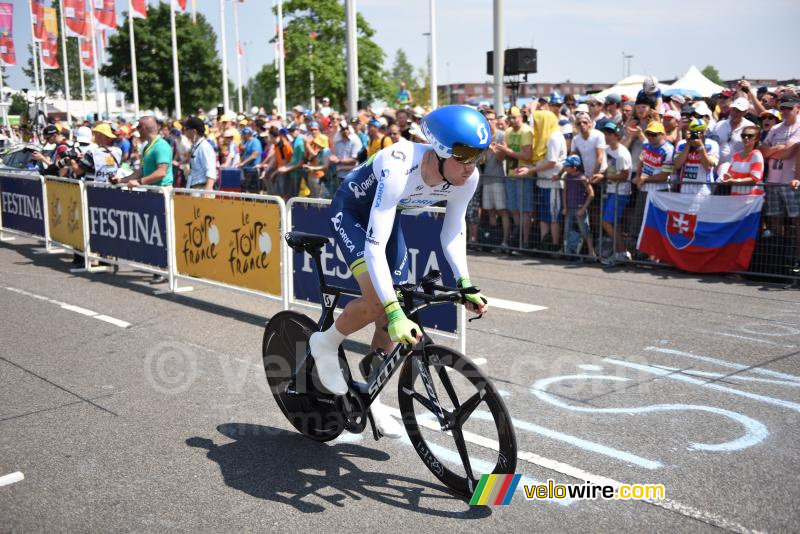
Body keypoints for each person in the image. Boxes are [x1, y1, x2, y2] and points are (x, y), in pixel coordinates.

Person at [308, 105, 490, 438]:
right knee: (380, 303)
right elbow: (373, 247)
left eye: (479, 157)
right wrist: (390, 311)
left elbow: (452, 232)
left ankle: (370, 394)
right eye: (465, 159)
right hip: (352, 213)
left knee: (400, 305)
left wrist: (465, 284)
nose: (471, 168)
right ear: (440, 151)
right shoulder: (400, 164)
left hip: (388, 219)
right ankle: (325, 342)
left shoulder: (467, 177)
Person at [515, 110, 566, 249]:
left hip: (552, 183)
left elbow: (552, 162)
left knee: (553, 217)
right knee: (543, 217)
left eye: (537, 122)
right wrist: (526, 168)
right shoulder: (545, 137)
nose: (534, 125)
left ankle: (554, 245)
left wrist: (530, 170)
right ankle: (545, 244)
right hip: (543, 182)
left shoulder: (555, 137)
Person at [500, 106, 534, 248]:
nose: (512, 120)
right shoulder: (507, 131)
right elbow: (504, 152)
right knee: (513, 209)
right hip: (510, 174)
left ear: (521, 117)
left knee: (525, 210)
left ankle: (525, 242)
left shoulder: (526, 131)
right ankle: (517, 238)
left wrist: (507, 151)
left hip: (524, 175)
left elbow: (527, 155)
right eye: (510, 117)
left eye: (514, 117)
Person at [598, 122, 633, 260]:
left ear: (617, 135)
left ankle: (622, 252)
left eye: (609, 134)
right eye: (605, 134)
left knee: (606, 223)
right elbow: (608, 167)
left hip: (621, 192)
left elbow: (624, 176)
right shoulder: (608, 150)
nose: (606, 136)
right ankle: (619, 252)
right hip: (611, 190)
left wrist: (605, 176)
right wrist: (601, 175)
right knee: (612, 224)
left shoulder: (622, 153)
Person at [479, 109, 510, 249]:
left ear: (496, 120)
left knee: (502, 211)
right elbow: (481, 161)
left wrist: (492, 149)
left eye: (491, 119)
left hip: (498, 178)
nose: (489, 122)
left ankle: (505, 240)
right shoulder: (482, 135)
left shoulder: (501, 135)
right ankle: (493, 240)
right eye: (486, 119)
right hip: (486, 179)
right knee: (490, 211)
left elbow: (502, 158)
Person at [561, 155, 596, 259]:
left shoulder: (582, 177)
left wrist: (583, 209)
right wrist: (565, 207)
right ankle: (567, 251)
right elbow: (565, 191)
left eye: (567, 165)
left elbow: (591, 194)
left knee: (585, 230)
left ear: (574, 167)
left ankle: (591, 252)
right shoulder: (566, 176)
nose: (564, 167)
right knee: (567, 229)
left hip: (579, 208)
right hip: (569, 208)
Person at [673, 118, 720, 195]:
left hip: (703, 187)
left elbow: (708, 166)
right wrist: (688, 145)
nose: (699, 135)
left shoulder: (712, 144)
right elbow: (677, 165)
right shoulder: (682, 144)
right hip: (685, 186)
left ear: (706, 132)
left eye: (701, 132)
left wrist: (701, 146)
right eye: (695, 132)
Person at [718, 125, 764, 196]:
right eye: (743, 135)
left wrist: (735, 181)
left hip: (752, 198)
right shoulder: (736, 155)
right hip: (735, 196)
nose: (746, 138)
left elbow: (755, 179)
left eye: (750, 136)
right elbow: (730, 174)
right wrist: (726, 176)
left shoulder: (756, 155)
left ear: (756, 139)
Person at [184, 116, 217, 191]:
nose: (184, 131)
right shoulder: (196, 146)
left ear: (194, 131)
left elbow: (211, 171)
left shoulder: (204, 147)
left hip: (202, 189)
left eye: (186, 129)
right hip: (195, 187)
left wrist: (207, 192)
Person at [238, 127, 263, 193]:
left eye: (243, 134)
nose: (242, 135)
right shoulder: (247, 142)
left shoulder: (255, 141)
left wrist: (243, 163)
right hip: (247, 169)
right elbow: (245, 153)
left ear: (246, 134)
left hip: (253, 169)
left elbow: (255, 155)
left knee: (253, 190)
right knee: (246, 189)